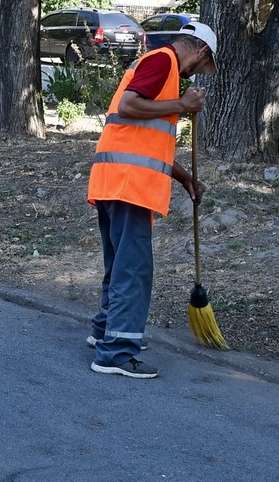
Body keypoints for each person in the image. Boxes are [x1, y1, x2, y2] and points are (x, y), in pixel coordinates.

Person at [85, 21, 219, 378]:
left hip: (116, 179)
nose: (196, 77)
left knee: (120, 264)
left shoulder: (160, 65)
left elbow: (143, 138)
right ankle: (115, 354)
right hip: (129, 185)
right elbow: (130, 106)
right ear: (201, 52)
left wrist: (185, 177)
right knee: (133, 269)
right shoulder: (163, 62)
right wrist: (183, 104)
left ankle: (106, 331)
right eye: (201, 68)